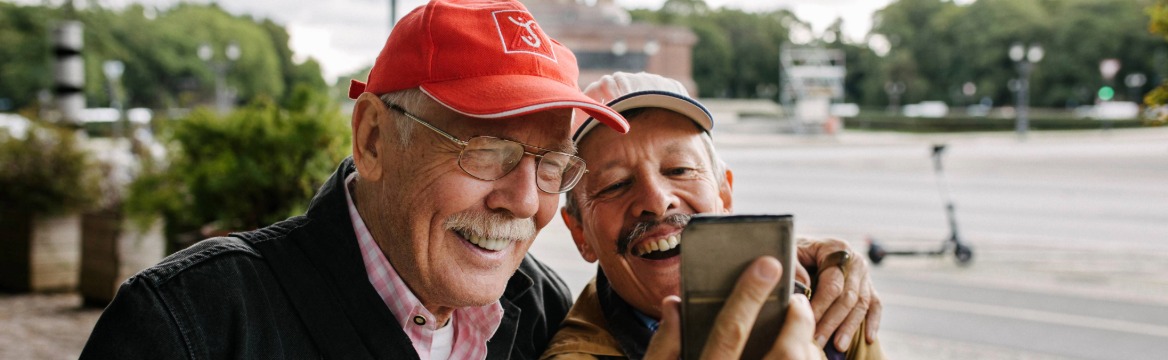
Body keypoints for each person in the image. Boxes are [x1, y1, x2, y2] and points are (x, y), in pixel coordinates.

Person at [80, 2, 830, 359]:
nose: (523, 200)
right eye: (489, 150)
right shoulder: (189, 328)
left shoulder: (536, 313)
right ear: (373, 138)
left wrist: (809, 275)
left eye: (547, 164)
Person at [542, 72, 885, 359]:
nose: (657, 202)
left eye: (679, 169)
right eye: (615, 185)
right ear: (580, 234)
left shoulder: (829, 301)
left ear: (724, 194)